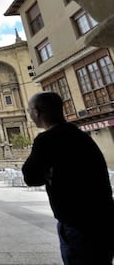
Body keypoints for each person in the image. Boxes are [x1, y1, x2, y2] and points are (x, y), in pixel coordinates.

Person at [22, 91, 114, 264]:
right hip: (104, 219)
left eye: (29, 111)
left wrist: (48, 174)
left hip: (77, 222)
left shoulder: (48, 139)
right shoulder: (80, 135)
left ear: (37, 111)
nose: (30, 115)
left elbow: (31, 176)